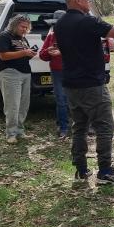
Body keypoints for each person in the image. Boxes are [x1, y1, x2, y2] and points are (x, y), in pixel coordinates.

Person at [54, 0, 114, 185]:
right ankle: (105, 170)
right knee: (104, 126)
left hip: (71, 84)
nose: (89, 1)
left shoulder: (60, 23)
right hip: (91, 84)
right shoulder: (87, 20)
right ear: (76, 0)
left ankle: (81, 169)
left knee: (79, 126)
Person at [0, 14, 35, 144]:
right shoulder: (4, 36)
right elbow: (3, 55)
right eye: (22, 26)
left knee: (24, 105)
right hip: (10, 73)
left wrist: (30, 53)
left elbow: (23, 55)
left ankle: (20, 131)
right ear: (14, 25)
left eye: (26, 27)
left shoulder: (22, 39)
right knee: (12, 105)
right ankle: (10, 134)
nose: (24, 29)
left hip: (25, 73)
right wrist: (24, 52)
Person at [38, 10, 69, 139]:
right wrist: (48, 51)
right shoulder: (51, 36)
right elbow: (42, 55)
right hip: (57, 71)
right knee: (61, 99)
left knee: (77, 99)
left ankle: (84, 125)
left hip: (74, 71)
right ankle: (63, 127)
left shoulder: (75, 35)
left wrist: (62, 52)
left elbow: (82, 52)